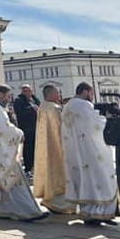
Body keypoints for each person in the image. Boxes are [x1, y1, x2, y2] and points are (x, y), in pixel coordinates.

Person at [0, 83, 47, 221]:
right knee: (15, 182)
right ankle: (28, 211)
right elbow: (4, 128)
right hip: (0, 152)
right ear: (0, 94)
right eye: (7, 96)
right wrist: (19, 133)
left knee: (2, 183)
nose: (8, 99)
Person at [62, 82, 118, 225]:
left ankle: (87, 212)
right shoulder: (84, 105)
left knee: (84, 181)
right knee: (100, 179)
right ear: (85, 91)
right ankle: (99, 213)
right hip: (90, 151)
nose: (92, 96)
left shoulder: (67, 106)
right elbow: (96, 126)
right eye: (91, 93)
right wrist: (107, 119)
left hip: (75, 152)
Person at [33, 84, 75, 214]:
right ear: (51, 94)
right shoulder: (55, 109)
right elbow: (62, 127)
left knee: (50, 171)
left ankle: (49, 199)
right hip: (57, 146)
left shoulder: (43, 106)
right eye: (58, 93)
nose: (60, 95)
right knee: (60, 173)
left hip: (46, 146)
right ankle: (62, 204)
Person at [13, 84, 39, 176]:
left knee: (35, 149)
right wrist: (32, 109)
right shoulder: (18, 100)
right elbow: (20, 112)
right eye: (27, 91)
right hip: (26, 128)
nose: (30, 93)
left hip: (35, 127)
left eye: (30, 91)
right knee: (27, 149)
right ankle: (28, 168)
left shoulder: (33, 99)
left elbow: (39, 105)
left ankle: (35, 167)